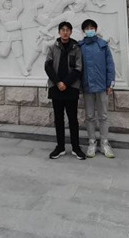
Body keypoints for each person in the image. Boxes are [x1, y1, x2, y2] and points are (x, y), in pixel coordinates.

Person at [44, 21, 86, 160]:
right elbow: (48, 66)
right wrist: (58, 82)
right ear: (59, 32)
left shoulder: (76, 48)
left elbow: (78, 68)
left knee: (73, 119)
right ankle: (60, 147)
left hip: (71, 87)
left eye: (68, 30)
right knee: (59, 119)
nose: (65, 32)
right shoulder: (52, 47)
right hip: (56, 87)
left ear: (71, 32)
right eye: (63, 30)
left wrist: (66, 83)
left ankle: (76, 147)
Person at [79, 19, 116, 158]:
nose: (89, 30)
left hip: (102, 86)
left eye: (92, 28)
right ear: (83, 31)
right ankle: (92, 142)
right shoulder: (80, 46)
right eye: (87, 28)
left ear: (95, 29)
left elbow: (110, 65)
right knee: (89, 116)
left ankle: (105, 143)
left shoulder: (103, 45)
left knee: (103, 116)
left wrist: (110, 83)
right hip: (87, 86)